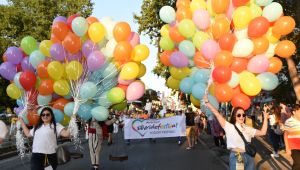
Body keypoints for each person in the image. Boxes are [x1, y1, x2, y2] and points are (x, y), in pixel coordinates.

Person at [204, 95, 269, 170]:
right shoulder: (229, 126)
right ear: (235, 116)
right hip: (237, 157)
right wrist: (207, 103)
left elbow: (263, 132)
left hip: (249, 156)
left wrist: (265, 118)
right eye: (239, 115)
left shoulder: (248, 128)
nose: (241, 117)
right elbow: (217, 114)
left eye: (243, 115)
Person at [284, 104, 300, 170]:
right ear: (294, 112)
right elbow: (285, 134)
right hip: (294, 147)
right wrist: (287, 148)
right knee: (298, 163)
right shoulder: (288, 121)